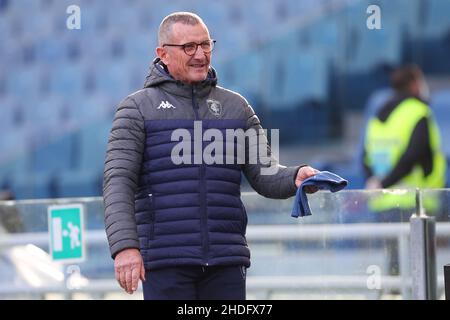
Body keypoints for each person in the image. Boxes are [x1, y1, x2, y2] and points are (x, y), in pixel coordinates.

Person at [103, 12, 318, 300]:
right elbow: (118, 183)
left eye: (206, 45)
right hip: (166, 261)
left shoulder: (236, 107)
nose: (200, 55)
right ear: (163, 54)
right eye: (189, 47)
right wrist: (125, 247)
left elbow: (265, 173)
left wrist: (296, 176)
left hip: (225, 261)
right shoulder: (136, 109)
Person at [362, 64, 447, 277]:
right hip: (416, 203)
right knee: (420, 272)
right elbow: (413, 155)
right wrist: (385, 182)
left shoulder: (377, 117)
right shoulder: (418, 112)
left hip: (382, 202)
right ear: (414, 84)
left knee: (395, 268)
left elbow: (366, 158)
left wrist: (378, 183)